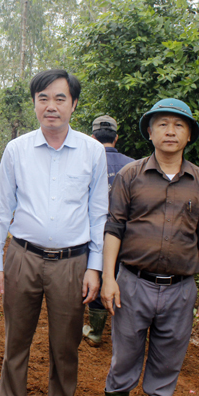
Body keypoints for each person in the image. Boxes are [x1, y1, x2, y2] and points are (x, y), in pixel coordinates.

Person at [0, 69, 109, 396]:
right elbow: (0, 211)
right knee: (15, 345)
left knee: (66, 348)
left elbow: (98, 214)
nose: (51, 106)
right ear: (34, 104)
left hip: (72, 264)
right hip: (22, 258)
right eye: (43, 99)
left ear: (74, 105)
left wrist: (94, 267)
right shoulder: (17, 150)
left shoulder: (92, 152)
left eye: (59, 98)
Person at [101, 99, 199, 396]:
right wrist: (108, 279)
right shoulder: (130, 175)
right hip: (132, 284)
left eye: (179, 125)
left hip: (180, 290)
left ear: (189, 135)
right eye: (163, 124)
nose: (171, 131)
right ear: (150, 133)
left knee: (167, 367)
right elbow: (114, 227)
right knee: (123, 360)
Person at [82, 115, 135, 347]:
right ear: (116, 137)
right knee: (120, 277)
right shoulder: (133, 166)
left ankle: (95, 332)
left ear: (92, 137)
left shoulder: (85, 161)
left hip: (93, 233)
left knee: (96, 274)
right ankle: (123, 333)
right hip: (126, 235)